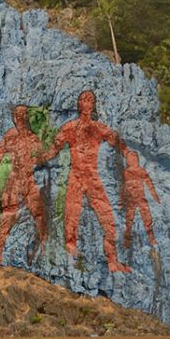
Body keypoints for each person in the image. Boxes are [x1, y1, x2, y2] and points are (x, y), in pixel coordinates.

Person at [37, 91, 132, 273]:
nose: (86, 102)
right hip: (76, 176)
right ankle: (70, 256)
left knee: (108, 220)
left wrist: (129, 158)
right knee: (71, 217)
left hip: (92, 178)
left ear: (94, 104)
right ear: (78, 104)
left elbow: (119, 144)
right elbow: (53, 150)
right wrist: (37, 160)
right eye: (82, 99)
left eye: (89, 100)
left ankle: (112, 261)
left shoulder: (99, 128)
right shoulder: (70, 127)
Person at [0, 105, 47, 265]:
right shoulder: (10, 136)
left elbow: (42, 157)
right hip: (14, 182)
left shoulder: (33, 138)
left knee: (39, 214)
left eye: (23, 114)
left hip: (29, 180)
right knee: (7, 216)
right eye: (17, 114)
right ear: (14, 117)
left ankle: (44, 250)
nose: (19, 117)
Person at [122, 150, 160, 248]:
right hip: (132, 200)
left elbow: (149, 184)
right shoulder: (126, 172)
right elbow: (123, 187)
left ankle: (151, 239)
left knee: (146, 219)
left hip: (140, 199)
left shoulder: (139, 171)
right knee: (129, 221)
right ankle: (127, 241)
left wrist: (155, 196)